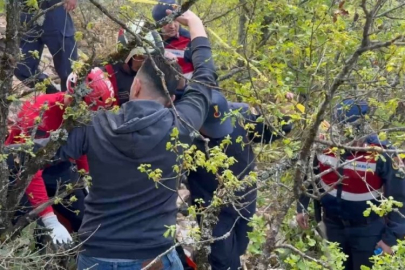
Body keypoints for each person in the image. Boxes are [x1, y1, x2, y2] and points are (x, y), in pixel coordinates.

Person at [46, 10, 216, 270]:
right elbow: (205, 77)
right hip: (153, 257)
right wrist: (195, 22)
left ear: (135, 87)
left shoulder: (95, 125)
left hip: (96, 254)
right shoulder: (180, 126)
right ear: (172, 97)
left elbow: (46, 153)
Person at [5, 67, 115, 243]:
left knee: (85, 218)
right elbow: (30, 171)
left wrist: (83, 176)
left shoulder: (80, 114)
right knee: (24, 227)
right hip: (21, 170)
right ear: (76, 100)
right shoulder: (39, 116)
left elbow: (80, 145)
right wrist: (49, 219)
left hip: (57, 165)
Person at [186, 90, 292, 270]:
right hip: (211, 207)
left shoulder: (241, 115)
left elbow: (270, 133)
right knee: (223, 260)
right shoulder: (184, 129)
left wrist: (285, 114)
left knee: (240, 247)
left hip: (245, 200)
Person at [296, 99, 405, 270]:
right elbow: (309, 176)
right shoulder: (323, 144)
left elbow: (400, 199)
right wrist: (301, 206)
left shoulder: (382, 153)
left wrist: (391, 240)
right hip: (332, 226)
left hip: (368, 230)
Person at [15, 0, 78, 94]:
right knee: (21, 68)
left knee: (68, 69)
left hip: (54, 8)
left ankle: (72, 104)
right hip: (26, 11)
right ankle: (55, 95)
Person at [152, 0, 194, 99]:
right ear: (158, 23)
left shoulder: (189, 40)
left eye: (175, 20)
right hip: (158, 94)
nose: (172, 26)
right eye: (167, 22)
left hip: (185, 96)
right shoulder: (151, 39)